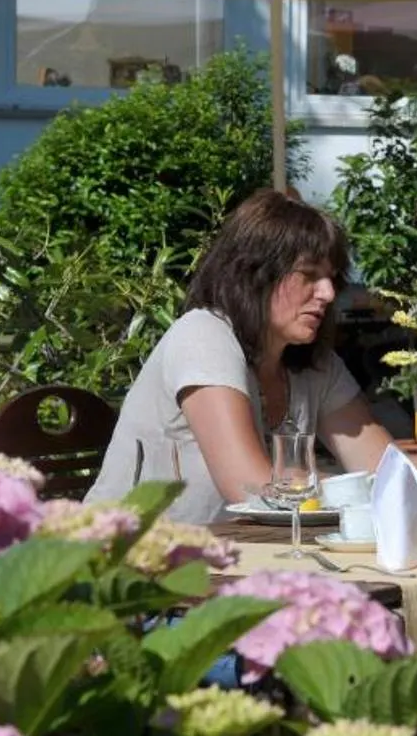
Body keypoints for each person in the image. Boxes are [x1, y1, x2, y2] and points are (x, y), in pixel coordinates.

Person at [90, 190, 394, 522]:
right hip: (123, 549)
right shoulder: (203, 335)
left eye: (332, 278)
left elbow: (386, 470)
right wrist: (360, 491)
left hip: (234, 548)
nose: (328, 293)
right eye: (309, 275)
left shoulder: (313, 364)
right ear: (255, 275)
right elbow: (250, 486)